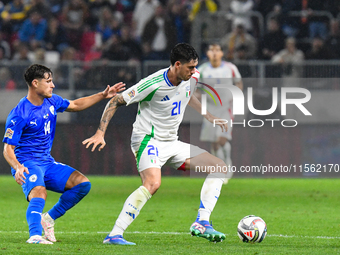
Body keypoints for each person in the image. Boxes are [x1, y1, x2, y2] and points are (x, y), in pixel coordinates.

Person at [83, 43, 229, 245]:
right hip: (147, 140)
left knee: (219, 167)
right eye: (190, 67)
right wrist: (100, 132)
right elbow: (115, 101)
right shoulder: (152, 83)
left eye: (195, 67)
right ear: (177, 65)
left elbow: (189, 95)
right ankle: (114, 235)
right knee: (153, 183)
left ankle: (202, 222)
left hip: (171, 142)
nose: (195, 72)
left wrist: (209, 116)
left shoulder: (191, 77)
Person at [2, 64, 125, 244]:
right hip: (27, 163)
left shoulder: (51, 101)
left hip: (47, 162)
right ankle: (35, 236)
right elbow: (7, 149)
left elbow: (75, 104)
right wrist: (18, 167)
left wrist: (102, 95)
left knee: (83, 185)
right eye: (49, 81)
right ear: (35, 83)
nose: (53, 85)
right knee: (39, 192)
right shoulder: (20, 113)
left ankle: (48, 219)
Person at [196, 43, 243, 184]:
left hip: (226, 107)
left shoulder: (230, 68)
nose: (214, 53)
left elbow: (239, 83)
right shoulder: (202, 70)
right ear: (207, 53)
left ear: (222, 53)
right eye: (211, 50)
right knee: (214, 143)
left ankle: (227, 166)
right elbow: (194, 87)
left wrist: (237, 95)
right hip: (210, 108)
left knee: (222, 140)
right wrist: (197, 95)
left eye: (217, 50)